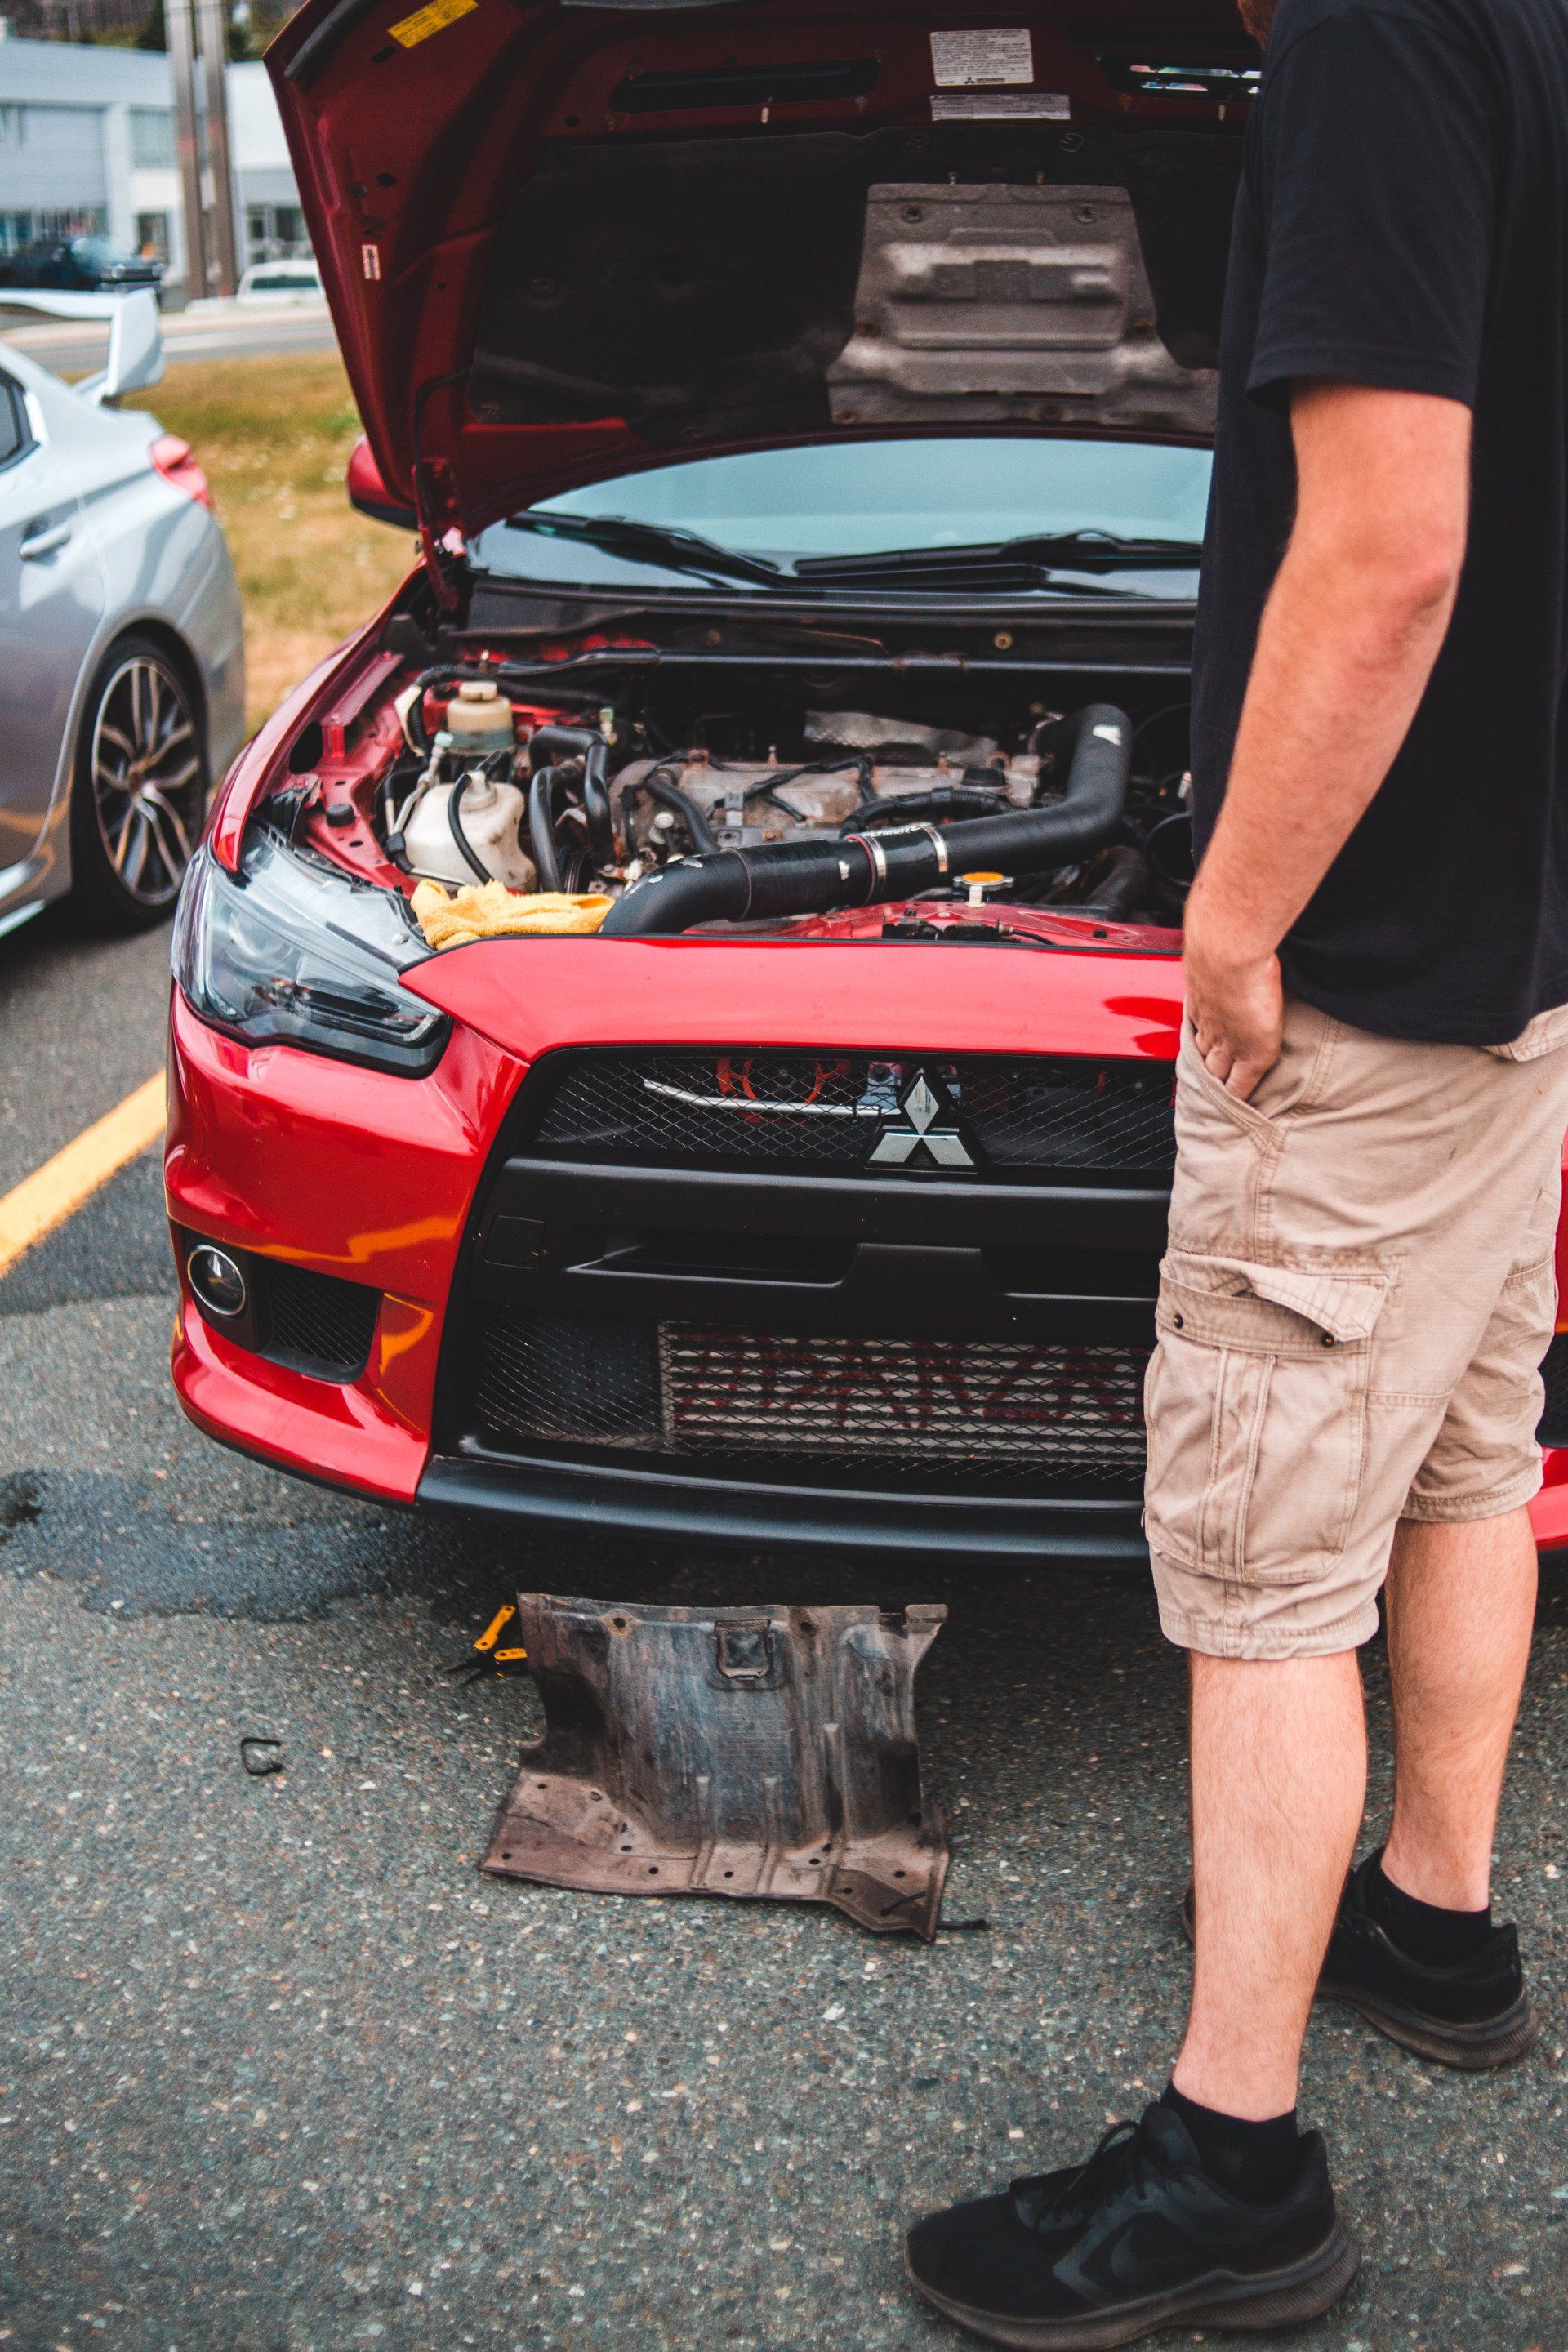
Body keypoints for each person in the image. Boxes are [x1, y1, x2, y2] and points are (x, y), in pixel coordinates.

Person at [905, 0, 1568, 2337]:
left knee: (1267, 1569)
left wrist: (1234, 915)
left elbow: (1384, 555)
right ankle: (1437, 1926)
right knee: (1468, 1447)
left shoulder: (1388, 34)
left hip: (1366, 977)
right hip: (1510, 952)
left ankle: (1233, 2166)